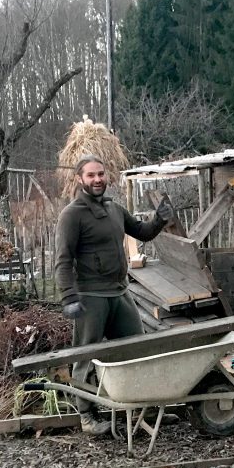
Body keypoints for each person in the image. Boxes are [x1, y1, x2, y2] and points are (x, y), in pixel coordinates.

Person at [54, 155, 174, 434]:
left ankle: (142, 410)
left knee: (137, 350)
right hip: (91, 296)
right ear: (79, 179)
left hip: (120, 292)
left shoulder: (114, 208)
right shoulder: (72, 215)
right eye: (91, 175)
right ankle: (87, 416)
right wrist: (69, 297)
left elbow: (142, 233)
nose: (97, 180)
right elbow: (62, 260)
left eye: (101, 174)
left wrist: (158, 220)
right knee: (86, 354)